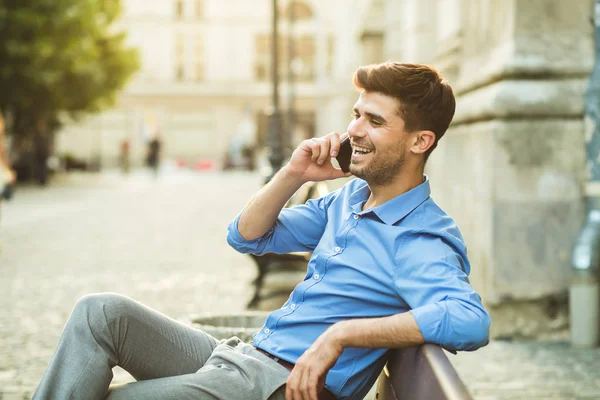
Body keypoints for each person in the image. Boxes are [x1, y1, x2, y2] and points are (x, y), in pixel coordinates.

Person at [33, 62, 490, 400]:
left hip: (278, 386)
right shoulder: (351, 200)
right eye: (356, 114)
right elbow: (246, 236)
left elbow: (470, 320)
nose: (353, 131)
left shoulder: (421, 236)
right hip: (247, 356)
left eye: (374, 121)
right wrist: (294, 174)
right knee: (100, 312)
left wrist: (343, 334)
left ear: (419, 141)